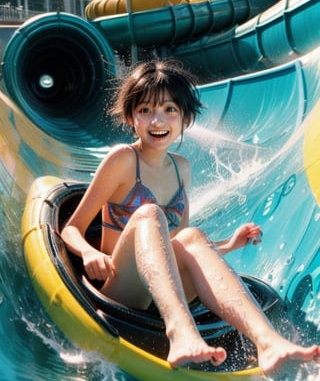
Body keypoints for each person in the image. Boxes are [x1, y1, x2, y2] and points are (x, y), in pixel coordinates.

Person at [61, 59, 320, 376]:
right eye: (146, 110)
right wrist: (88, 252)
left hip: (159, 290)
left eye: (170, 110)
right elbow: (72, 227)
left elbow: (175, 246)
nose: (158, 120)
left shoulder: (182, 168)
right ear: (131, 118)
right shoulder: (123, 160)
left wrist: (228, 246)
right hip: (122, 288)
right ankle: (180, 332)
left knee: (193, 235)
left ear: (185, 118)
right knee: (149, 213)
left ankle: (269, 343)